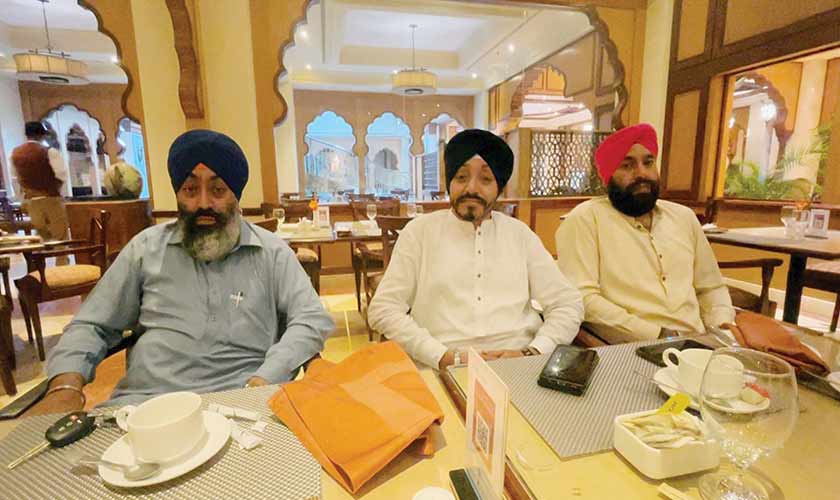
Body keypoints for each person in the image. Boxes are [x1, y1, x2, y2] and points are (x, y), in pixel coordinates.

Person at [35, 129, 334, 413]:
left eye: (218, 190)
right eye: (190, 189)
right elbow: (92, 324)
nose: (203, 203)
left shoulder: (272, 252)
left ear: (236, 195)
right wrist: (64, 387)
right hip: (145, 407)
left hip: (245, 406)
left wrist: (264, 379)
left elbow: (310, 319)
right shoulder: (145, 250)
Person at [368, 129, 583, 370]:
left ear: (499, 187)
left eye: (486, 179)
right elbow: (384, 309)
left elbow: (567, 303)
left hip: (519, 366)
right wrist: (443, 356)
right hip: (440, 368)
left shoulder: (520, 234)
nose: (471, 188)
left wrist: (533, 352)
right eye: (461, 177)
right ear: (449, 183)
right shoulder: (420, 232)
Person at [555, 123, 734, 344]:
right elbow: (583, 298)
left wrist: (722, 331)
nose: (641, 173)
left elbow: (711, 287)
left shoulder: (684, 217)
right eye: (627, 165)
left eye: (648, 163)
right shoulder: (585, 220)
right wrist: (659, 335)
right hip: (634, 348)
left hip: (701, 344)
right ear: (607, 178)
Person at [10, 121, 71, 243]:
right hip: (51, 199)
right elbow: (62, 175)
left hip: (31, 202)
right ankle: (61, 256)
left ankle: (42, 256)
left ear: (27, 135)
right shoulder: (49, 152)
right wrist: (60, 194)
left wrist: (22, 199)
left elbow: (15, 179)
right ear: (41, 135)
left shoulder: (15, 154)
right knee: (60, 238)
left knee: (42, 239)